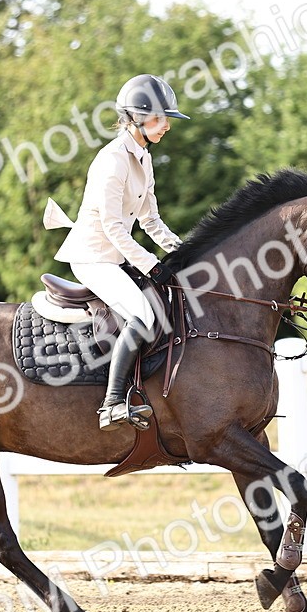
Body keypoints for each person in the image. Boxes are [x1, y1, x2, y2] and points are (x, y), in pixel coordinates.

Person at [46, 74, 190, 431]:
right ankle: (111, 404)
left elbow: (151, 219)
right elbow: (112, 227)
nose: (167, 126)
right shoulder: (113, 160)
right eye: (161, 118)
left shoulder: (143, 157)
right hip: (94, 257)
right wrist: (153, 264)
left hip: (117, 254)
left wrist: (184, 250)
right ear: (137, 118)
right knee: (144, 316)